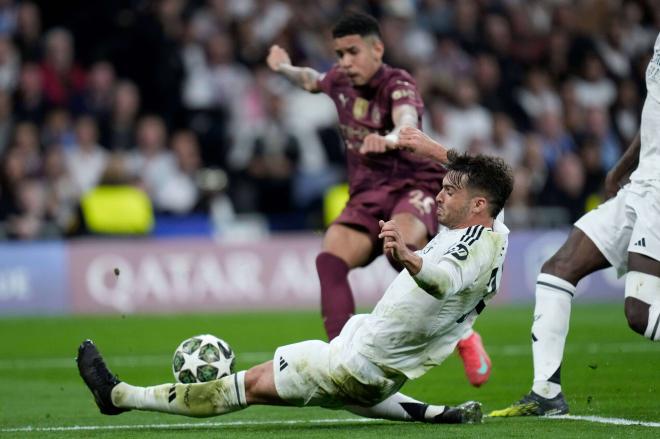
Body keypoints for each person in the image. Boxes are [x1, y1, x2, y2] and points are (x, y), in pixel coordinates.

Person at [77, 152, 514, 425]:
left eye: (449, 192)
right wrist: (440, 154)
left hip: (357, 365)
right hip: (376, 365)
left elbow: (445, 281)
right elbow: (482, 186)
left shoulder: (470, 244)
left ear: (477, 205)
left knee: (246, 386)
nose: (438, 196)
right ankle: (430, 413)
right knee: (349, 388)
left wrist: (409, 257)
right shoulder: (498, 232)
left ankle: (118, 396)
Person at [266, 11, 492, 387]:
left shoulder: (399, 83)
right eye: (339, 54)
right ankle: (340, 356)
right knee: (330, 257)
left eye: (353, 52)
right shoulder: (338, 80)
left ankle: (463, 334)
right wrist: (284, 67)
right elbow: (312, 81)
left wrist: (386, 139)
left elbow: (406, 124)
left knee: (398, 248)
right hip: (367, 193)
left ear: (377, 49)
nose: (345, 62)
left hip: (412, 185)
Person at [490, 32, 660, 417]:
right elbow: (655, 112)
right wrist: (624, 165)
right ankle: (546, 393)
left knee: (640, 314)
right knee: (558, 269)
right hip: (641, 183)